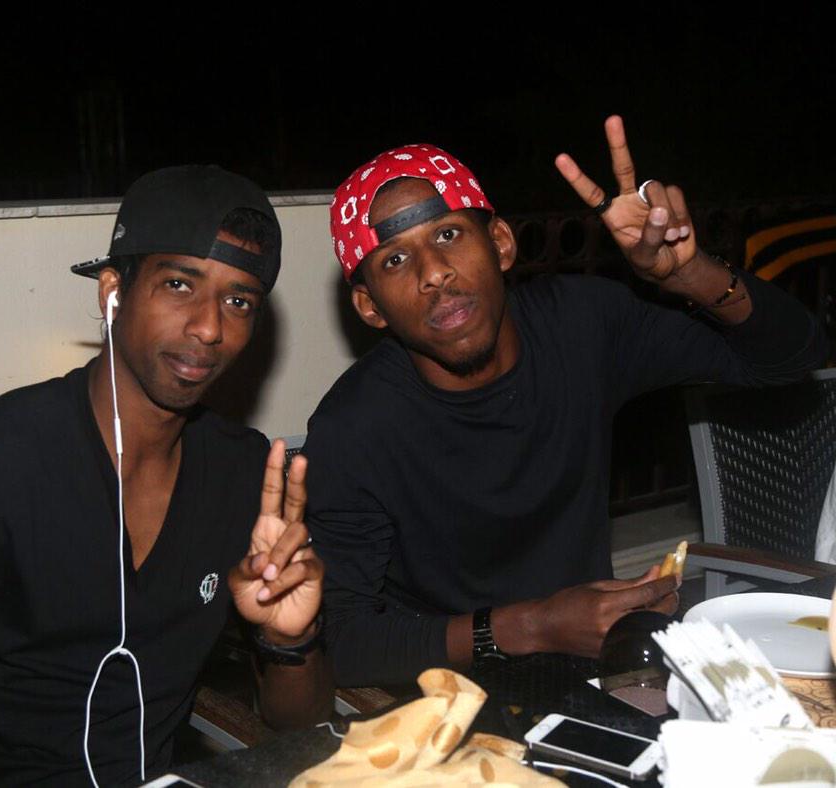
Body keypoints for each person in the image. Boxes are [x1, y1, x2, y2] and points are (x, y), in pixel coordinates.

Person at [0, 166, 332, 785]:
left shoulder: (244, 472)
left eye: (238, 301)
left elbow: (301, 726)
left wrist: (289, 640)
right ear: (112, 292)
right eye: (178, 284)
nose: (209, 326)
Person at [305, 118, 829, 687]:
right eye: (394, 260)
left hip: (596, 672)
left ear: (500, 243)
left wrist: (691, 275)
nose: (434, 273)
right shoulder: (353, 427)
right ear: (370, 307)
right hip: (444, 694)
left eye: (449, 234)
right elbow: (345, 643)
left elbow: (790, 357)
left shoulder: (581, 325)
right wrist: (533, 626)